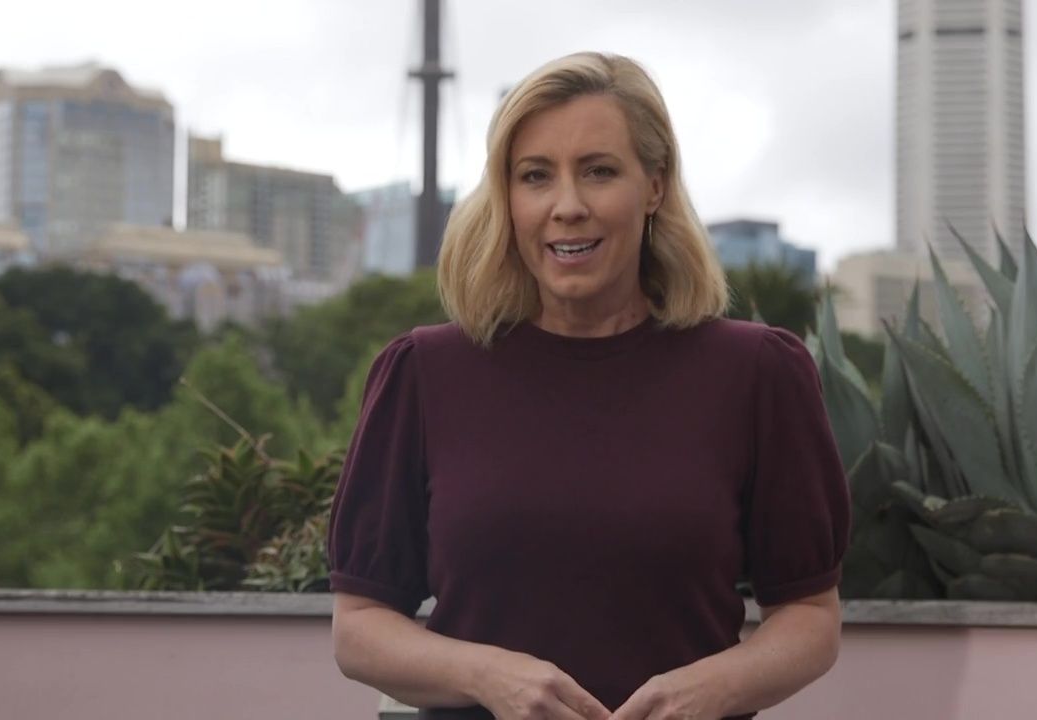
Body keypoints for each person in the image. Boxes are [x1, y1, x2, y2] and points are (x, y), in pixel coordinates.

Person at [328, 52, 850, 720]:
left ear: (654, 186)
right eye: (535, 176)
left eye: (599, 171)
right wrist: (488, 675)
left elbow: (809, 616)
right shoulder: (422, 374)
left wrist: (711, 688)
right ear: (507, 197)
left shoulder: (757, 373)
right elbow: (360, 628)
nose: (567, 206)